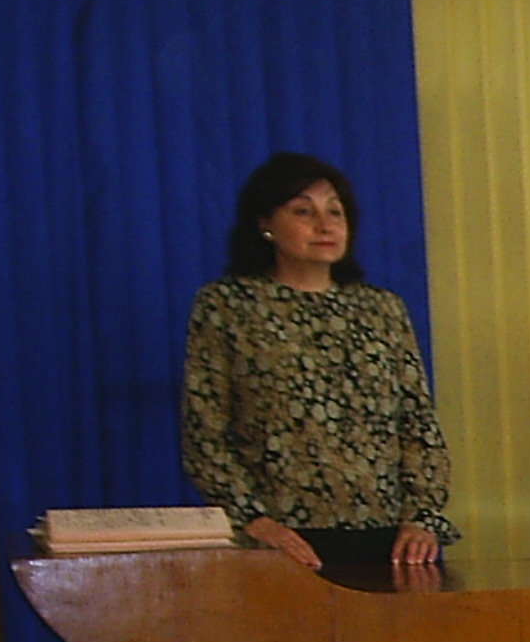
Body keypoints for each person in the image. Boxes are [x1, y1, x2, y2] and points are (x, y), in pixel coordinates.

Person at [182, 152, 454, 571]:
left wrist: (422, 517)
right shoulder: (227, 306)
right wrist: (253, 520)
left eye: (335, 212)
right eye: (303, 211)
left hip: (388, 539)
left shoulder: (381, 309)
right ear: (264, 223)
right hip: (280, 540)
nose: (325, 225)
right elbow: (205, 430)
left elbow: (418, 423)